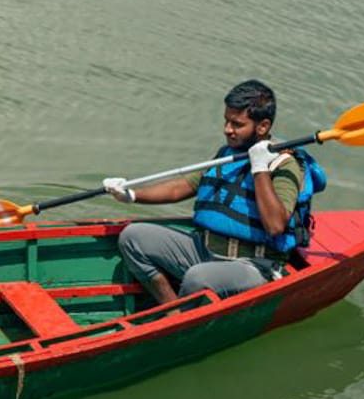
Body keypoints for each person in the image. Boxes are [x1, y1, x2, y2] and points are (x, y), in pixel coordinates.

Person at [101, 80, 327, 308]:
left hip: (254, 265)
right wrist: (130, 194)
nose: (227, 129)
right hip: (205, 249)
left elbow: (276, 225)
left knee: (198, 278)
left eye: (237, 124)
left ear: (262, 126)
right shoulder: (227, 153)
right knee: (133, 237)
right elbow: (181, 187)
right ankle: (172, 311)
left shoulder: (285, 165)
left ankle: (183, 325)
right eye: (226, 121)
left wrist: (260, 168)